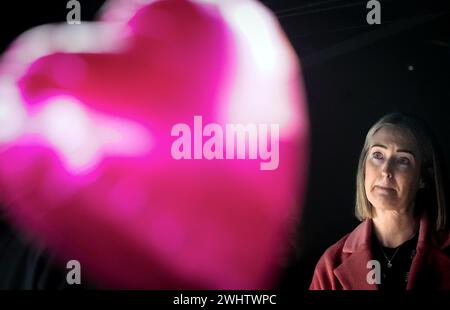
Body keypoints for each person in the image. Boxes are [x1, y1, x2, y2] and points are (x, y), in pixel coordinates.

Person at [310, 113, 450, 290]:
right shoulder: (331, 263)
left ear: (424, 177)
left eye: (403, 160)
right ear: (364, 166)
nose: (385, 170)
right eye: (377, 155)